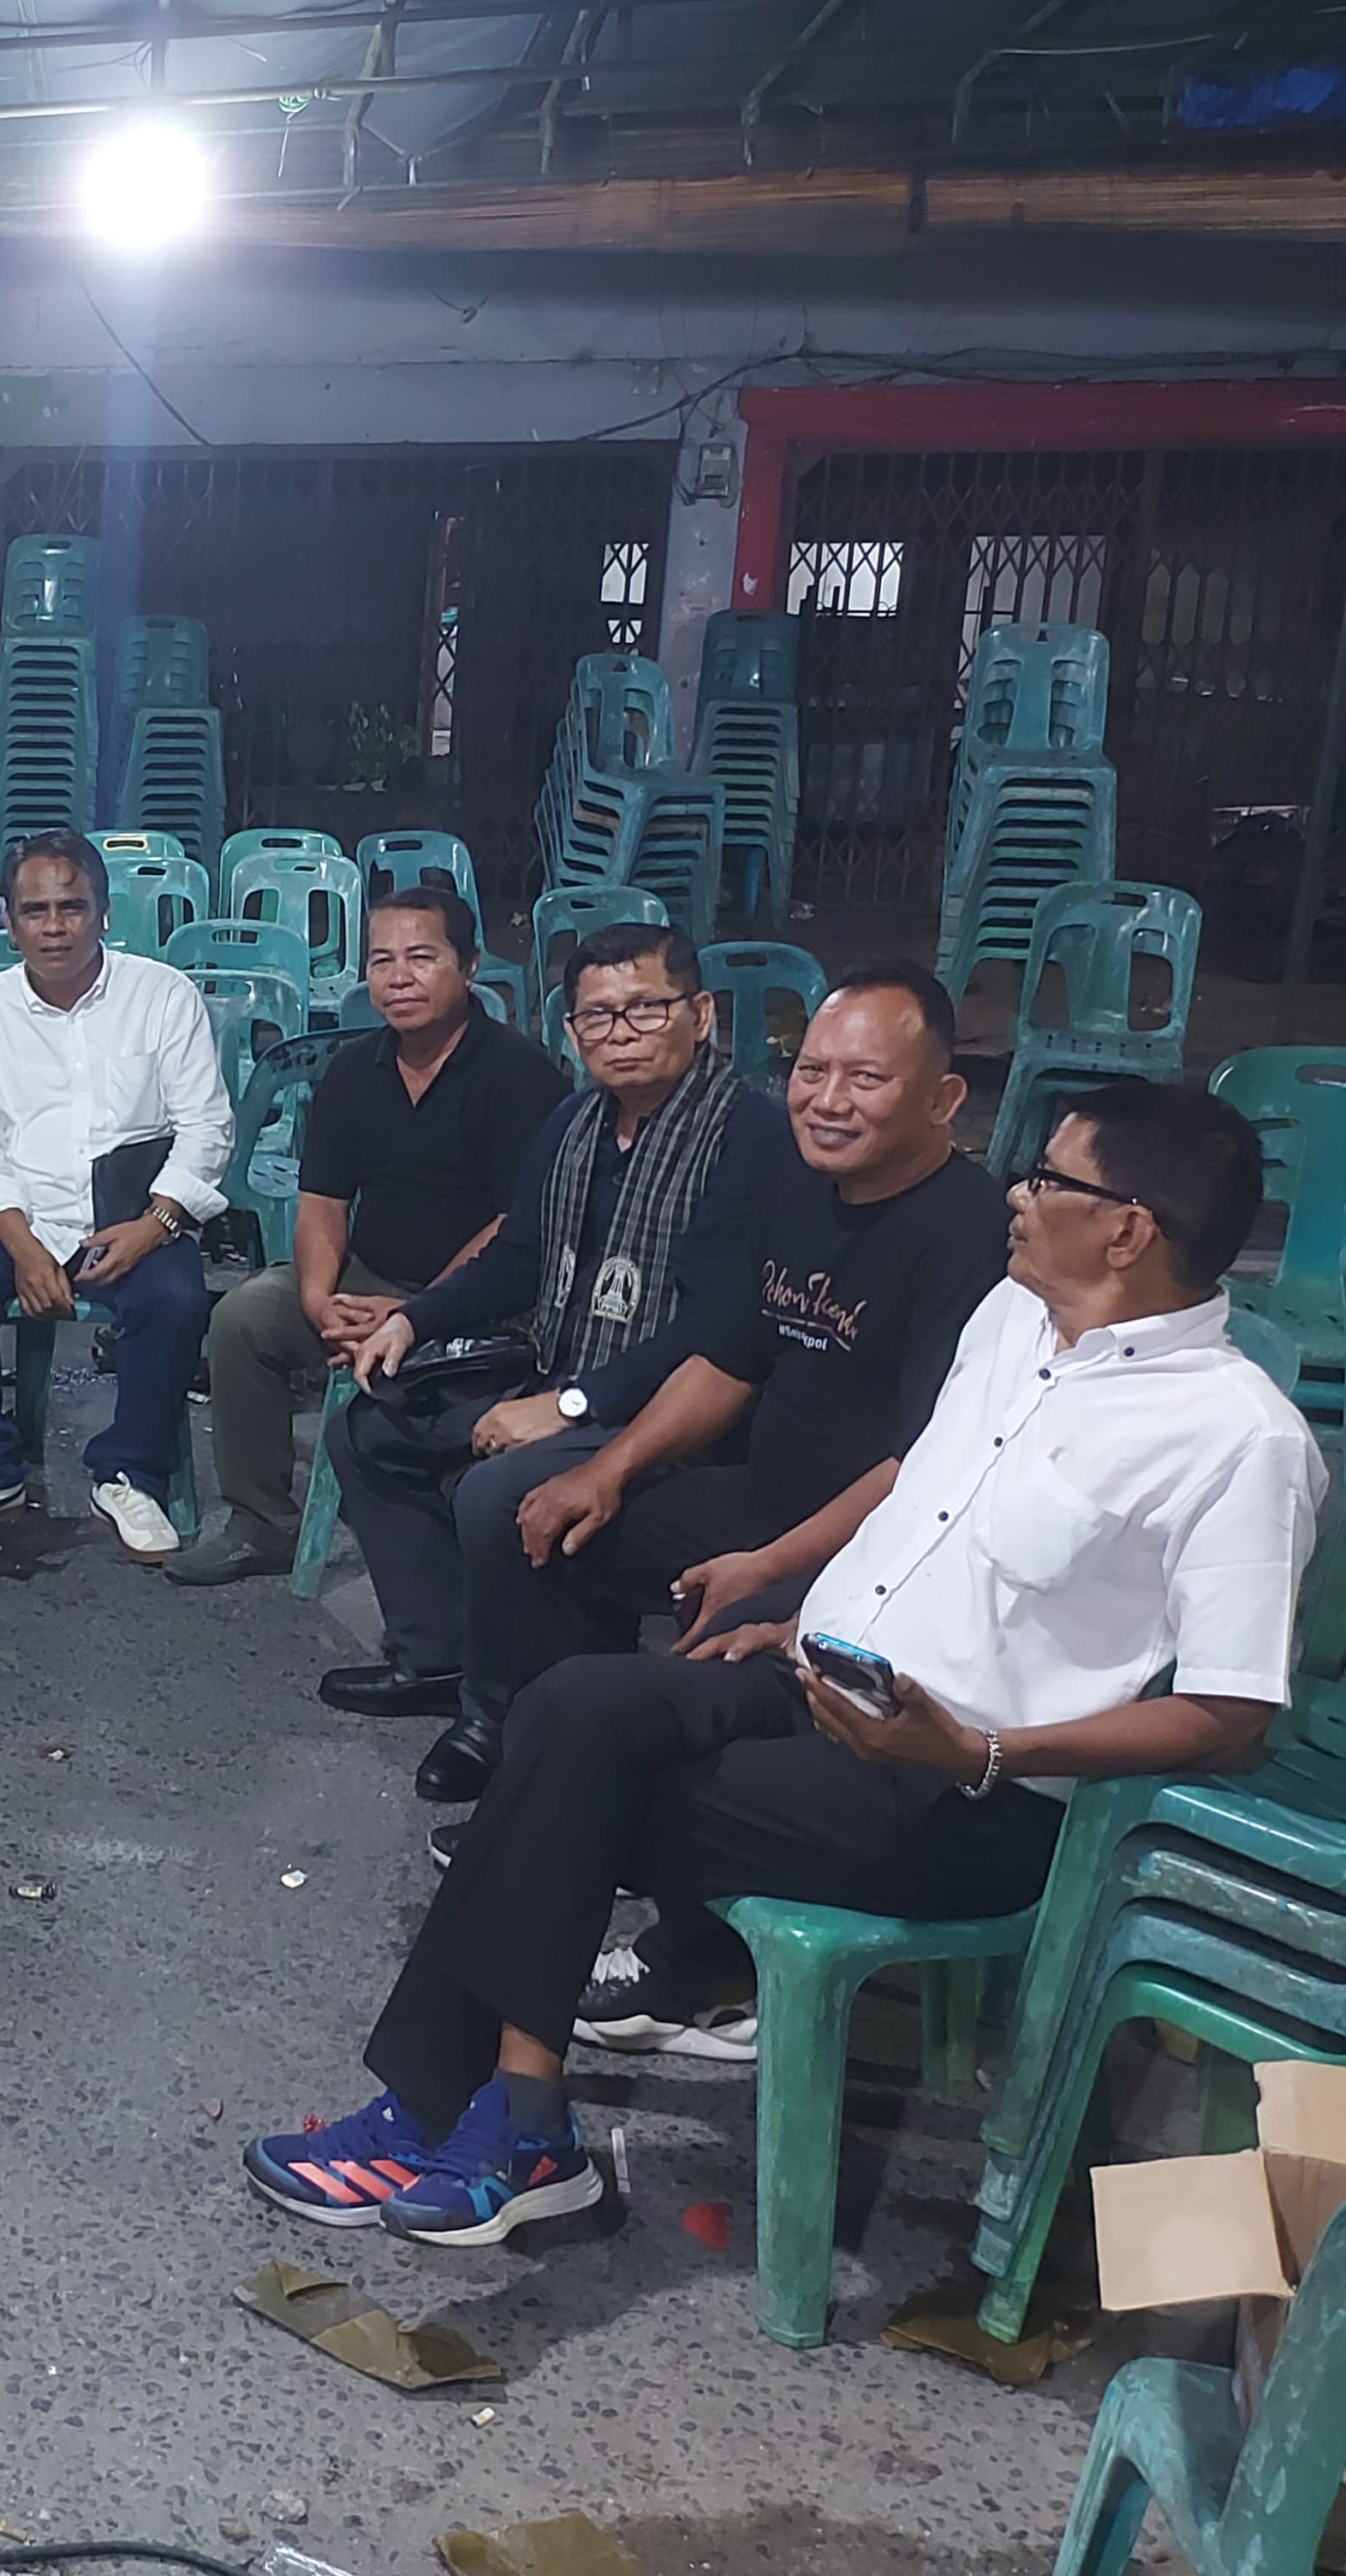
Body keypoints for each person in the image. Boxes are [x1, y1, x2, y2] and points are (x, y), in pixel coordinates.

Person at [249, 1080, 1325, 2248]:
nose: (1017, 1193)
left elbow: (1230, 1714)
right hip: (827, 1683)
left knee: (571, 1799)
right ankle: (511, 2123)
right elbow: (924, 1482)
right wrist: (794, 1595)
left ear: (1126, 1228)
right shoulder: (1016, 1320)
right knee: (571, 1708)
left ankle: (475, 2122)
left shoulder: (1236, 1439)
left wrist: (977, 1747)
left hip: (966, 1793)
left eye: (1048, 1176)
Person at [485, 965, 1013, 1925]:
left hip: (863, 1546)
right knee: (538, 1520)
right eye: (811, 1070)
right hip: (760, 1494)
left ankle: (685, 1920)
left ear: (943, 1099)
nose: (827, 1100)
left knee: (714, 1664)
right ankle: (551, 1790)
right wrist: (603, 1471)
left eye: (865, 1078)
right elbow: (729, 1358)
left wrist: (767, 1565)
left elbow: (924, 1469)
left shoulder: (967, 1237)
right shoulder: (801, 1190)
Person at [317, 920, 793, 1803]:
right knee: (370, 1422)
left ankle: (499, 1717)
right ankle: (438, 1653)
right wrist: (413, 1320)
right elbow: (517, 1259)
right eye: (596, 1017)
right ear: (571, 1032)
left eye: (644, 1010)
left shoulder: (751, 1140)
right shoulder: (576, 1121)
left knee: (497, 1492)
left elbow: (717, 1329)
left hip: (674, 1408)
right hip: (557, 1363)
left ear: (700, 1016)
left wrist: (573, 1404)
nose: (619, 1033)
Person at [173, 887, 568, 1586]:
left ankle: (436, 1531)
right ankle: (262, 1525)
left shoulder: (522, 1075)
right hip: (372, 1281)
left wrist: (420, 1315)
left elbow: (517, 1227)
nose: (399, 977)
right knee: (244, 1317)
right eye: (382, 961)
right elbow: (323, 1202)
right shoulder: (355, 1070)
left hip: (488, 1301)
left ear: (469, 966)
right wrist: (320, 1301)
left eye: (421, 957)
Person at [0, 830, 233, 1563]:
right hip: (19, 1215)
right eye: (35, 910)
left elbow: (207, 1127)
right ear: (9, 922)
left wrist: (155, 1225)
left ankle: (130, 1474)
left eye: (72, 907)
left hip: (133, 1213)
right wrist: (25, 1250)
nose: (54, 927)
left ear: (104, 914)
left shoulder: (162, 996)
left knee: (175, 1300)